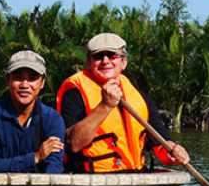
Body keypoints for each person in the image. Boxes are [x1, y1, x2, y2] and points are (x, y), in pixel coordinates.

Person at [56, 32, 190, 172]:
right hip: (91, 177)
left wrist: (173, 151)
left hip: (135, 174)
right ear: (89, 62)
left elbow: (160, 140)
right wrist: (105, 106)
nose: (105, 61)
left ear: (123, 62)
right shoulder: (74, 92)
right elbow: (74, 143)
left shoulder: (138, 94)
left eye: (112, 55)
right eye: (98, 56)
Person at [0, 50, 65, 173]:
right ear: (8, 80)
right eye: (18, 78)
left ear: (42, 82)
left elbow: (54, 165)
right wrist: (35, 157)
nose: (25, 85)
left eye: (32, 78)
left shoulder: (52, 119)